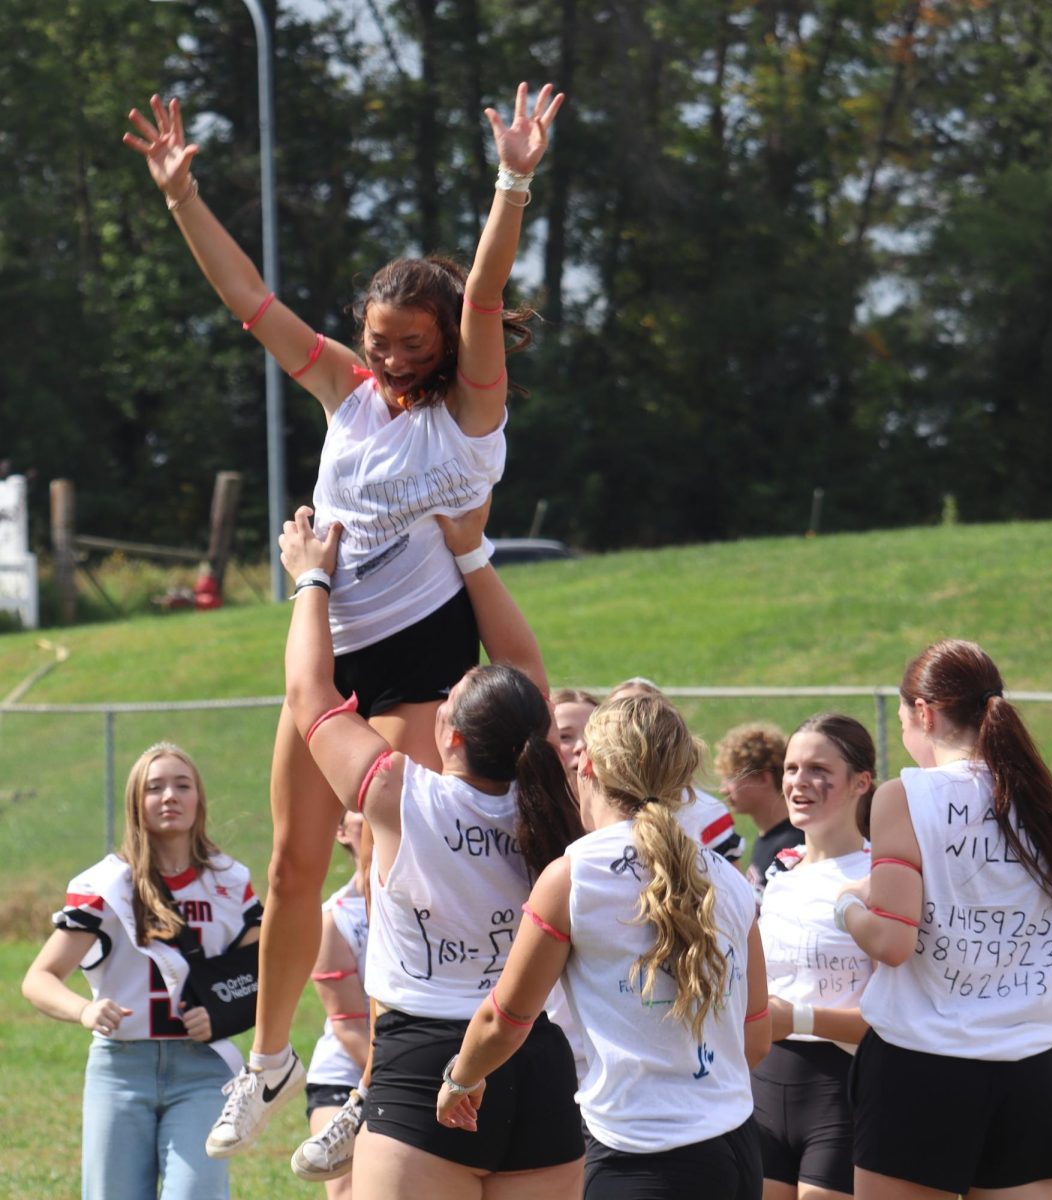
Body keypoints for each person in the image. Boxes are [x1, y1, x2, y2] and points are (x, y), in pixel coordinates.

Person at [122, 82, 565, 1153]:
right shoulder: (348, 390)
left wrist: (512, 181)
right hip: (332, 647)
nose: (393, 355)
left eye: (411, 341)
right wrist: (181, 197)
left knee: (385, 874)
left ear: (445, 340)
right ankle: (271, 1062)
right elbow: (252, 302)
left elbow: (485, 292)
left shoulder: (471, 410)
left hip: (424, 658)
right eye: (380, 338)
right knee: (290, 868)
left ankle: (373, 1079)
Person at [278, 506, 586, 1198]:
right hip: (538, 1062)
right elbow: (524, 669)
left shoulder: (399, 796)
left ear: (450, 736)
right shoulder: (559, 805)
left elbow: (309, 695)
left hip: (423, 1065)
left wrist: (310, 579)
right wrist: (470, 553)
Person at [435, 693, 773, 1200]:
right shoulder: (727, 878)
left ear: (587, 764)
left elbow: (504, 1019)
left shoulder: (576, 877)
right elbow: (756, 1037)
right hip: (737, 1147)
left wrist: (461, 1079)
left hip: (642, 1156)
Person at [837, 639, 1052, 1200]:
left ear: (924, 713)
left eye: (905, 719)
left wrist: (845, 905)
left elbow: (892, 942)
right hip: (1027, 1068)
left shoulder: (905, 796)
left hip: (920, 1063)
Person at [21, 743, 263, 1200]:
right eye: (154, 788)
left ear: (199, 799)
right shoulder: (105, 885)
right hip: (120, 1068)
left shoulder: (230, 882)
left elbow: (264, 973)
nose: (169, 795)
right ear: (136, 802)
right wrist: (84, 1011)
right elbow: (39, 978)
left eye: (182, 785)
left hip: (204, 1070)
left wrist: (223, 1014)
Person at [752, 715, 875, 1200]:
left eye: (819, 770)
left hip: (842, 1093)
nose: (799, 782)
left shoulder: (879, 877)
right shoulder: (780, 873)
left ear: (860, 782)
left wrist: (799, 1018)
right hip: (762, 1087)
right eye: (791, 768)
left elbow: (896, 1020)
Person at [292, 811, 371, 1195]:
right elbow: (348, 1026)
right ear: (340, 831)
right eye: (359, 808)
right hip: (347, 1075)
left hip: (422, 1069)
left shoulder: (433, 904)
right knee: (349, 1191)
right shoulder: (334, 918)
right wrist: (405, 1082)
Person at [607, 678, 746, 864]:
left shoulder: (706, 812)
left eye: (646, 714)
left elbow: (731, 880)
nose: (635, 728)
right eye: (621, 716)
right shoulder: (593, 807)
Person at [714, 721, 799, 902]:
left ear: (763, 778)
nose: (723, 789)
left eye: (731, 778)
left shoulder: (793, 843)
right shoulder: (767, 839)